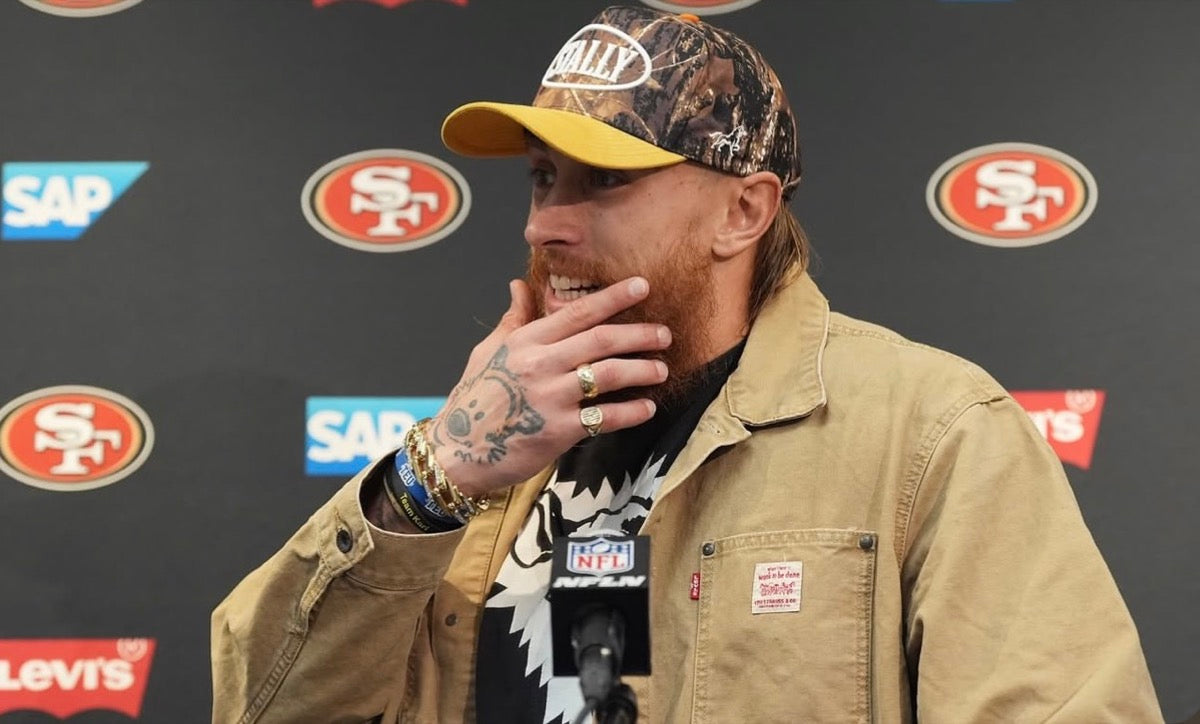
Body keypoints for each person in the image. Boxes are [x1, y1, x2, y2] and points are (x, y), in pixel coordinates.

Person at [211, 6, 1162, 723]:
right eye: (542, 179)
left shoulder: (931, 431)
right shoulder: (485, 450)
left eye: (606, 181)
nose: (546, 223)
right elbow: (264, 706)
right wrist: (434, 476)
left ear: (743, 212)